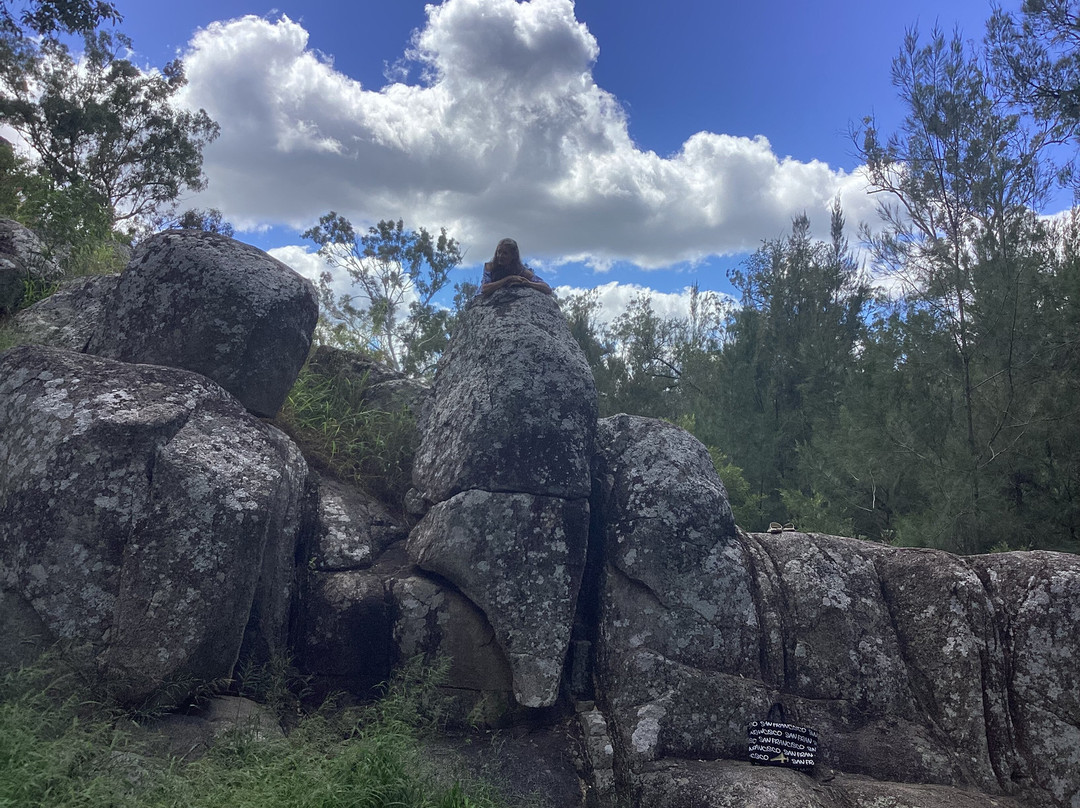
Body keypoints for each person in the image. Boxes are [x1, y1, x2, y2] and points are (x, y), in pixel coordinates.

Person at [480, 238, 553, 296]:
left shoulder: (521, 271)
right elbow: (484, 289)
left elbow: (547, 289)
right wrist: (508, 279)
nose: (500, 256)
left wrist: (528, 283)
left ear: (513, 256)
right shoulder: (490, 267)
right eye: (499, 252)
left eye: (505, 253)